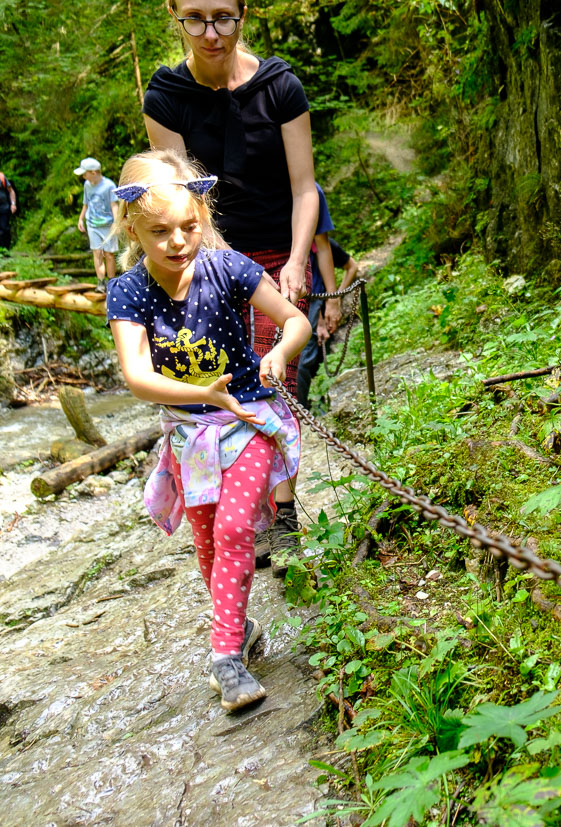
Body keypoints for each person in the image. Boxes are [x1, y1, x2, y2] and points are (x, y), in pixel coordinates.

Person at [106, 148, 310, 712]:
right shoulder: (128, 292)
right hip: (188, 434)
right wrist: (201, 393)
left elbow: (296, 322)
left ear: (204, 214)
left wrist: (278, 354)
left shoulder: (231, 268)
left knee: (236, 529)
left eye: (189, 227)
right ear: (132, 228)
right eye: (160, 231)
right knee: (206, 540)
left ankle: (225, 657)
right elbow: (138, 376)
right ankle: (237, 628)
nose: (177, 242)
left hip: (245, 419)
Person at [142, 0, 318, 562]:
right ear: (175, 14)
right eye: (195, 18)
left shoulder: (279, 85)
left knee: (272, 373)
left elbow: (304, 187)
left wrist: (295, 260)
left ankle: (281, 510)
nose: (210, 33)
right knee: (219, 380)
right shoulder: (166, 98)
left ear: (244, 13)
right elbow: (174, 198)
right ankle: (244, 507)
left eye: (223, 17)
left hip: (277, 248)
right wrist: (202, 267)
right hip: (209, 254)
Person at [296, 183, 360, 411]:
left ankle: (300, 407)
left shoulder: (325, 246)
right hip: (309, 301)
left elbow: (352, 266)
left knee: (305, 359)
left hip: (318, 301)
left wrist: (336, 297)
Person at [75, 157, 119, 285]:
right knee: (97, 253)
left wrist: (116, 223)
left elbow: (114, 205)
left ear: (93, 173)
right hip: (92, 224)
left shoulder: (109, 185)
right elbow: (86, 203)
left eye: (85, 173)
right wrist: (80, 219)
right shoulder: (87, 185)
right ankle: (101, 282)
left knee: (109, 255)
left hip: (108, 225)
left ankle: (111, 283)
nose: (83, 176)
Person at [0, 171, 17, 249]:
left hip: (4, 207)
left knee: (4, 228)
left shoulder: (1, 177)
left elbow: (11, 191)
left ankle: (6, 248)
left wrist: (13, 204)